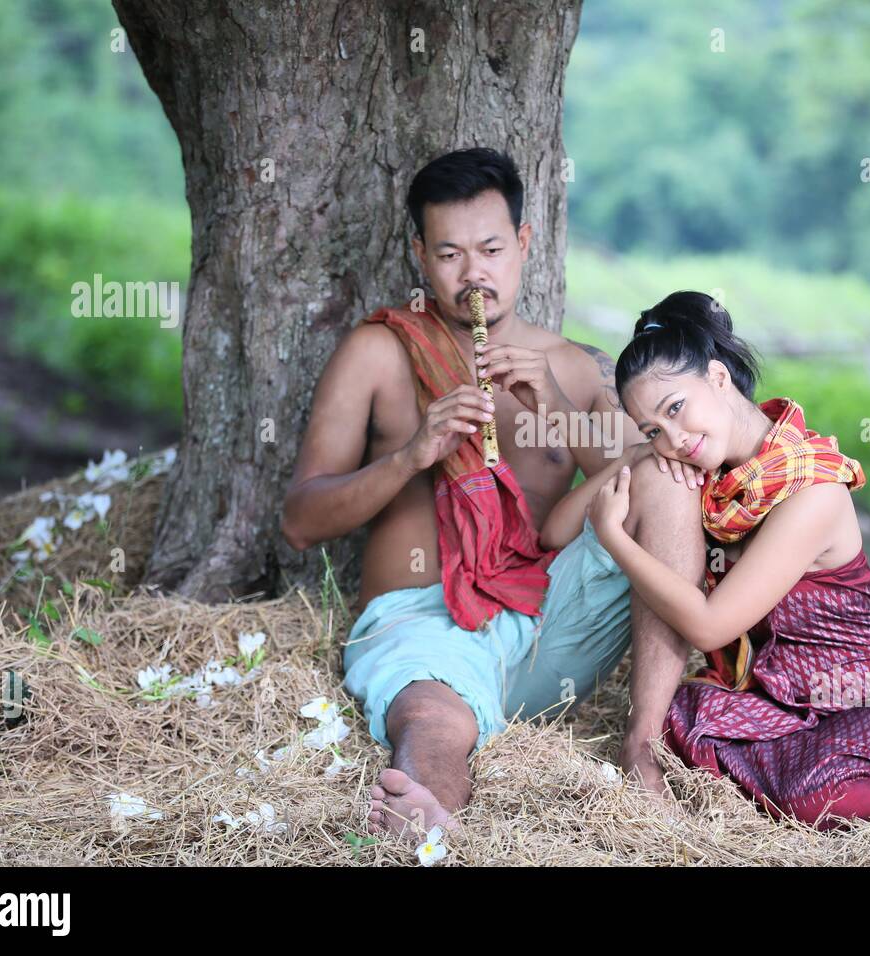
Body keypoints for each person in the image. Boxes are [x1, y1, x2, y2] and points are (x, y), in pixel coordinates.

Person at [281, 149, 707, 838]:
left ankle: (642, 744)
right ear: (420, 253)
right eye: (449, 254)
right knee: (433, 717)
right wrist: (412, 455)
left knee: (664, 478)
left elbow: (653, 470)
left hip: (547, 628)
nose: (473, 273)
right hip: (424, 624)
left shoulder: (574, 365)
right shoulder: (380, 351)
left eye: (491, 248)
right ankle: (427, 819)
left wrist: (557, 404)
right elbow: (300, 521)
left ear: (525, 244)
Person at [571, 291, 870, 829]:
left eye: (676, 408)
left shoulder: (811, 489)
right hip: (789, 695)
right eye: (655, 430)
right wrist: (634, 456)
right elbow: (553, 529)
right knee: (683, 723)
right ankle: (822, 778)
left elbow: (708, 628)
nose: (675, 440)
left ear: (719, 378)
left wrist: (617, 539)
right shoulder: (711, 481)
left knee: (808, 796)